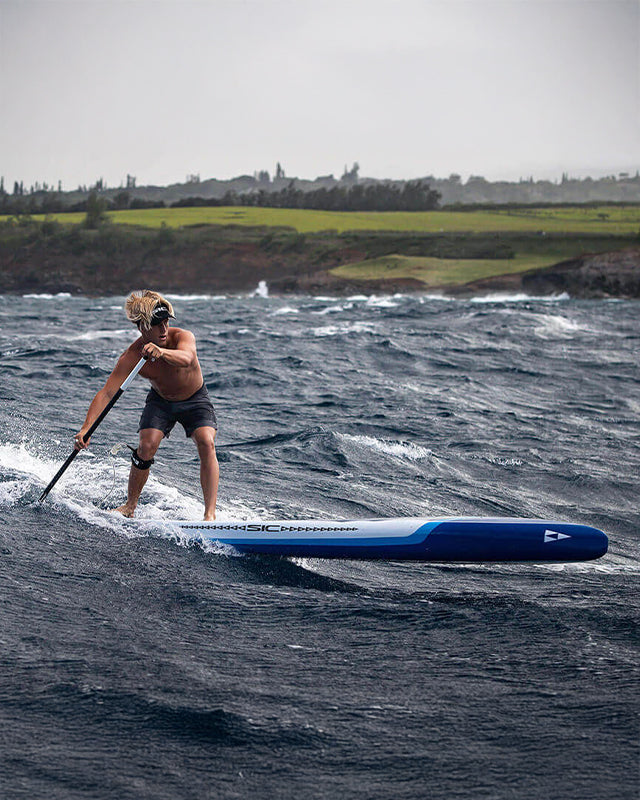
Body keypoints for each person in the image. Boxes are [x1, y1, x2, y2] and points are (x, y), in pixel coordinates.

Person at [74, 290, 219, 520]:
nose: (164, 330)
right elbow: (107, 392)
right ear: (142, 327)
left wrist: (161, 352)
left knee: (206, 441)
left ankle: (209, 515)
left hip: (195, 399)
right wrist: (86, 428)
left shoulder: (182, 337)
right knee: (145, 446)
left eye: (166, 322)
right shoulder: (132, 357)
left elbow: (187, 358)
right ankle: (130, 506)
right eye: (156, 325)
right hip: (161, 402)